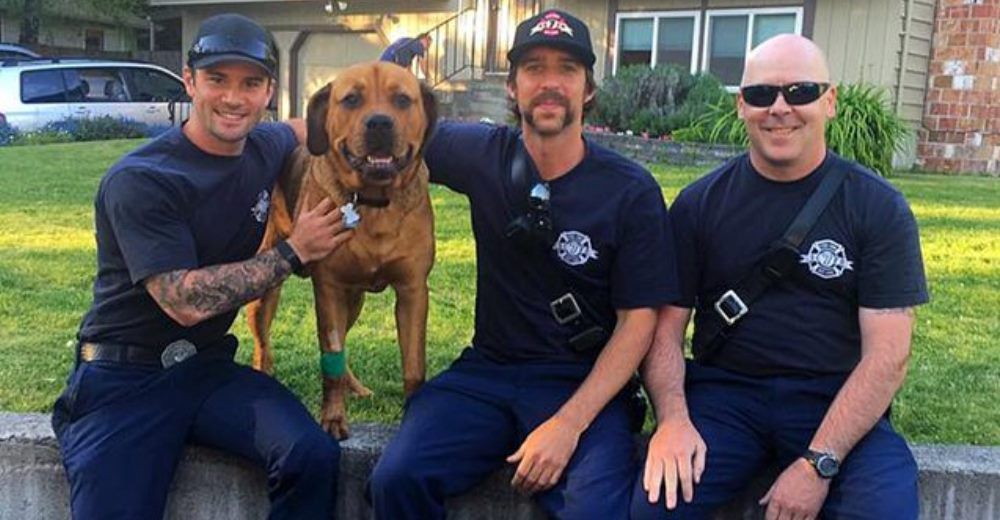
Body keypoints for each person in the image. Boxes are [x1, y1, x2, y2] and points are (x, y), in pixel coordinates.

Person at [369, 9, 678, 520]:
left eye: (568, 70)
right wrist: (266, 143)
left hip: (582, 381)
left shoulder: (630, 190)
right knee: (397, 478)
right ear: (512, 88)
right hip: (488, 372)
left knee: (595, 512)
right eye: (534, 68)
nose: (550, 83)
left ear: (589, 89)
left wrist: (569, 424)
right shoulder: (480, 154)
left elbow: (638, 321)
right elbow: (372, 123)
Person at [51, 14, 352, 519]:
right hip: (122, 380)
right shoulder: (142, 179)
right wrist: (293, 251)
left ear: (269, 92)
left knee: (311, 455)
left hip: (208, 370)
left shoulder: (262, 146)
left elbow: (309, 127)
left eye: (250, 83)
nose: (234, 98)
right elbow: (184, 301)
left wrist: (367, 144)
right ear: (190, 81)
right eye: (217, 79)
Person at [632, 34, 928, 519]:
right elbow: (664, 331)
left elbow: (888, 356)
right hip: (725, 399)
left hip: (834, 396)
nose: (780, 108)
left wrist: (817, 463)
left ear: (830, 102)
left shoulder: (878, 208)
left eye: (801, 92)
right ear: (741, 106)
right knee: (653, 508)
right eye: (762, 94)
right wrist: (673, 420)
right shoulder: (698, 205)